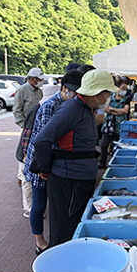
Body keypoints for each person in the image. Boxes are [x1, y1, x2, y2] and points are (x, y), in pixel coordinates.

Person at [34, 69, 118, 247]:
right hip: (67, 180)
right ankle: (60, 269)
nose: (109, 96)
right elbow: (42, 140)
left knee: (74, 227)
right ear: (96, 92)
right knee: (64, 230)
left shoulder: (87, 109)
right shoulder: (72, 109)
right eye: (108, 93)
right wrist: (44, 169)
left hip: (79, 179)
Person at [24, 70, 83, 255]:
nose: (73, 95)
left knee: (54, 203)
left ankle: (55, 240)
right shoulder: (51, 106)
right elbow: (43, 141)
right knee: (39, 203)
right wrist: (44, 167)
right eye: (71, 91)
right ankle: (40, 243)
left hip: (54, 162)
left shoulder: (70, 105)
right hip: (41, 162)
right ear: (64, 88)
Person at [13, 67, 45, 218]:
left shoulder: (39, 92)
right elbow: (16, 110)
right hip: (27, 130)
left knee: (31, 169)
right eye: (38, 79)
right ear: (32, 78)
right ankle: (28, 207)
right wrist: (23, 125)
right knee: (25, 171)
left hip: (36, 129)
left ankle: (34, 205)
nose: (39, 82)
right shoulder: (22, 90)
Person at [99, 78, 131, 168]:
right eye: (123, 88)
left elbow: (125, 111)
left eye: (125, 88)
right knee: (104, 145)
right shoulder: (110, 97)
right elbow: (105, 108)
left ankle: (116, 164)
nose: (124, 90)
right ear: (117, 88)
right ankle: (102, 163)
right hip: (108, 125)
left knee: (118, 146)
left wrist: (111, 110)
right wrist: (118, 112)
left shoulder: (126, 99)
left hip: (120, 127)